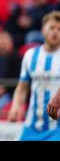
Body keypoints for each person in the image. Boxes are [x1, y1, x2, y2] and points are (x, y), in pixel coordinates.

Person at [8, 11, 60, 141]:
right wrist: (15, 107)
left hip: (57, 127)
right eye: (52, 28)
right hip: (32, 126)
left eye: (59, 29)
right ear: (43, 30)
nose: (55, 32)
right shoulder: (30, 56)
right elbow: (22, 87)